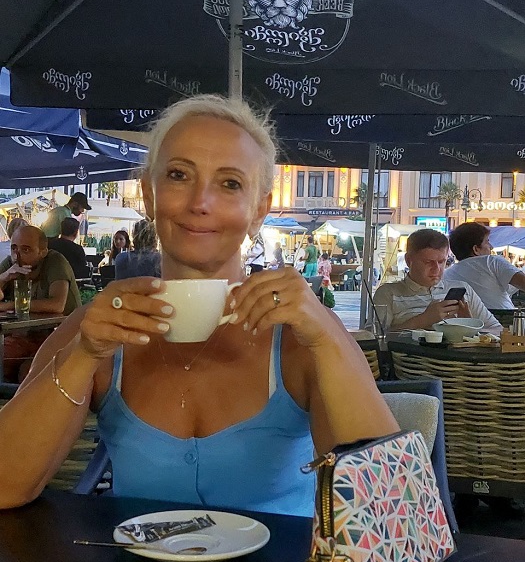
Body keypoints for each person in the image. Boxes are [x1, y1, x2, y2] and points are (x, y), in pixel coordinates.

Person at [0, 94, 398, 513]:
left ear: (258, 210)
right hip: (130, 559)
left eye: (230, 183)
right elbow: (6, 487)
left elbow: (392, 518)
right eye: (178, 175)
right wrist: (83, 354)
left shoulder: (301, 337)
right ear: (149, 194)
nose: (200, 203)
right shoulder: (101, 327)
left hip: (283, 561)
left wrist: (328, 342)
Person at [373, 228, 501, 333]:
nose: (437, 269)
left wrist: (469, 326)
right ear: (408, 260)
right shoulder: (388, 293)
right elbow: (374, 339)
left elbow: (497, 330)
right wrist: (422, 320)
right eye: (428, 262)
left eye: (441, 262)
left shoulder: (463, 289)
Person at [0, 225, 81, 381]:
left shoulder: (55, 261)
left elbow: (57, 305)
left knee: (26, 370)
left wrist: (10, 305)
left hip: (60, 336)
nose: (17, 255)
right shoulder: (11, 264)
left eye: (26, 249)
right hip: (25, 335)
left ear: (43, 252)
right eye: (14, 248)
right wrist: (4, 278)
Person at [445, 222, 525, 310]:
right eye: (487, 241)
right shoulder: (491, 261)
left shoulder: (446, 274)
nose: (491, 247)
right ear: (476, 249)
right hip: (504, 317)